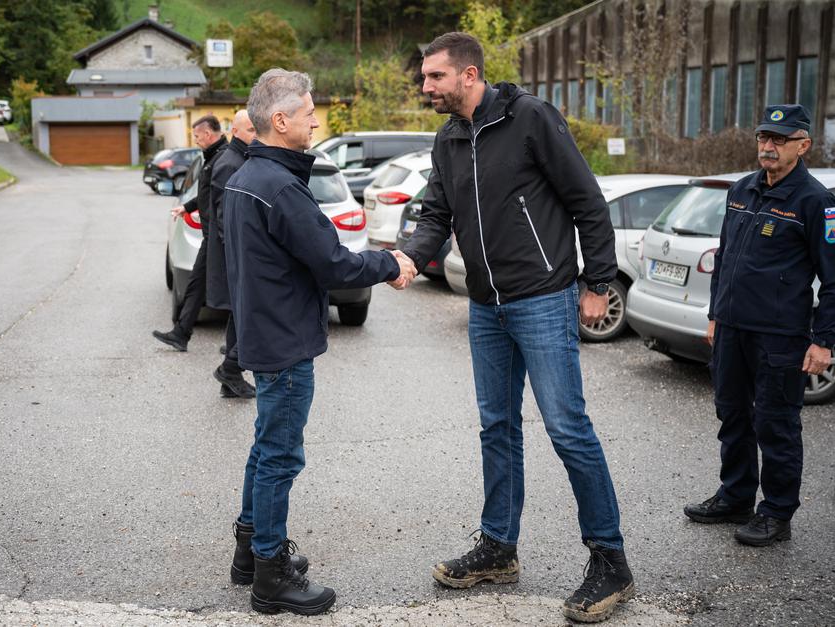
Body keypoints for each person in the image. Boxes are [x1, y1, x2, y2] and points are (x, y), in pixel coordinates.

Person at [402, 32, 633, 623]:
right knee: (496, 426)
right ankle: (498, 547)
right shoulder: (449, 136)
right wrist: (406, 258)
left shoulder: (531, 118)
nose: (425, 86)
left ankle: (610, 560)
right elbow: (435, 213)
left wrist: (598, 283)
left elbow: (588, 202)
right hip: (486, 306)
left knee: (567, 428)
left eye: (435, 77)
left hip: (542, 298)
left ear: (469, 74)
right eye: (425, 78)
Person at [223, 68, 416, 616]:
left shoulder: (245, 176)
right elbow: (333, 261)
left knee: (264, 449)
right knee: (280, 456)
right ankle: (270, 576)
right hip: (283, 343)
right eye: (308, 112)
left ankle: (249, 554)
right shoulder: (279, 186)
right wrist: (391, 262)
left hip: (262, 333)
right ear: (279, 120)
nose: (315, 120)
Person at [684, 104, 835, 546]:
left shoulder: (815, 201)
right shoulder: (742, 189)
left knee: (776, 423)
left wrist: (824, 341)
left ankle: (777, 512)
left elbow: (833, 277)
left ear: (803, 146)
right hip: (732, 328)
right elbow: (725, 257)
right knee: (732, 414)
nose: (769, 146)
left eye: (781, 139)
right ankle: (736, 496)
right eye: (764, 137)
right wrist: (715, 316)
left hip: (779, 336)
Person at [152, 115, 229, 355]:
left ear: (208, 134)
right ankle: (181, 333)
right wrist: (187, 207)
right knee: (197, 284)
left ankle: (237, 345)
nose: (196, 140)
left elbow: (221, 200)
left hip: (219, 237)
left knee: (234, 290)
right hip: (211, 237)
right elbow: (207, 195)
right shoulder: (212, 158)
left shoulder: (222, 159)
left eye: (197, 136)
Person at [205, 110, 258, 399]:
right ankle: (230, 368)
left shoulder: (241, 158)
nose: (255, 135)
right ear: (235, 131)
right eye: (250, 130)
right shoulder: (229, 163)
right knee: (249, 315)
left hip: (236, 255)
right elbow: (227, 217)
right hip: (234, 257)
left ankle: (231, 376)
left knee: (240, 316)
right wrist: (240, 258)